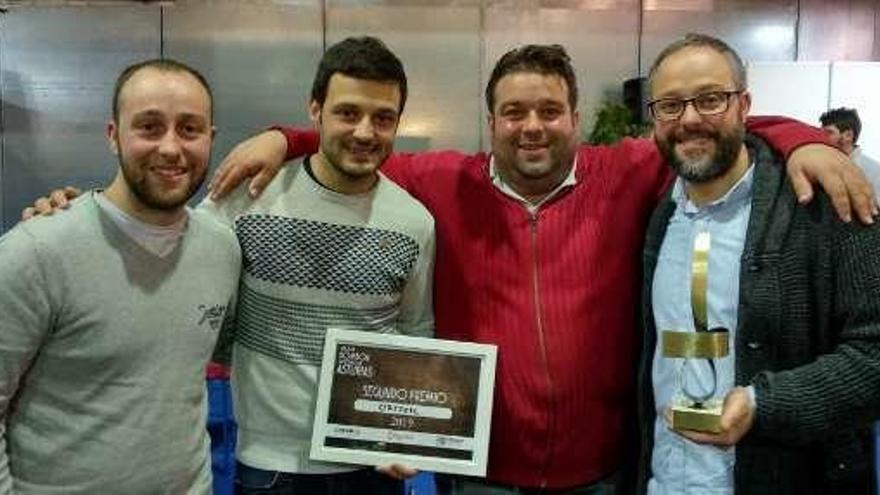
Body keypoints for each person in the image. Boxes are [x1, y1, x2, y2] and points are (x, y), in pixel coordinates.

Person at [22, 45, 873, 494]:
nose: (531, 126)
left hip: (605, 472)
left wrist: (805, 141)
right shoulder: (438, 184)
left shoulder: (628, 172)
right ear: (489, 121)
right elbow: (359, 144)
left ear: (580, 117)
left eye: (549, 110)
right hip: (479, 476)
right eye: (512, 111)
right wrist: (291, 136)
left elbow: (711, 131)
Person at [636, 34, 880, 495]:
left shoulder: (824, 204)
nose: (688, 119)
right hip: (666, 480)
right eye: (669, 105)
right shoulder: (657, 212)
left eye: (710, 99)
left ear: (744, 104)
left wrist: (762, 404)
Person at [201, 36, 435, 495]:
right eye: (348, 113)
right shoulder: (249, 197)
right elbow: (171, 256)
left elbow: (414, 333)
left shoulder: (414, 222)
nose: (365, 132)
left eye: (382, 118)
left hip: (372, 467)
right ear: (315, 110)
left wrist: (400, 433)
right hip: (269, 465)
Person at [0, 59, 242, 493]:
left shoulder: (221, 248)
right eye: (149, 127)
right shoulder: (36, 251)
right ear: (113, 136)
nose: (171, 148)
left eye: (189, 129)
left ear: (211, 139)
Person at [820, 107, 880, 196]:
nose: (822, 136)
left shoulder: (875, 171)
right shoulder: (820, 164)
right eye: (821, 132)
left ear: (848, 135)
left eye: (829, 132)